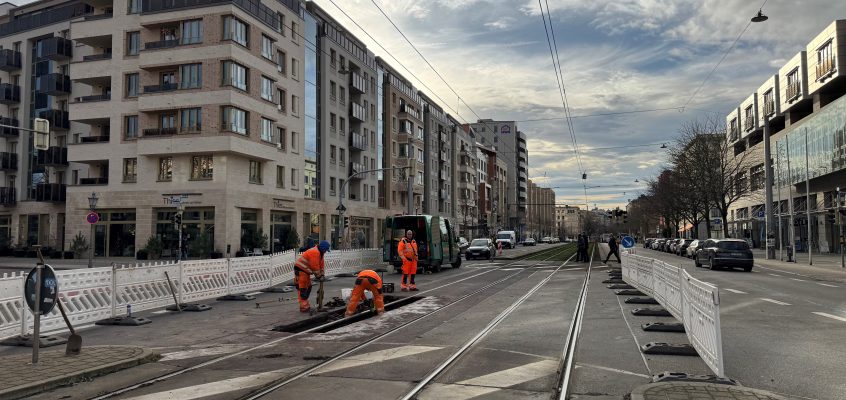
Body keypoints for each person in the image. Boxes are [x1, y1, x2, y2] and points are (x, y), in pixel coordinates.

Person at [293, 240, 330, 312]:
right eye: (325, 250)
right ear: (323, 249)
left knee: (308, 287)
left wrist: (322, 274)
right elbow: (315, 267)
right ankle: (304, 307)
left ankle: (306, 305)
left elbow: (321, 265)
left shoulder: (320, 253)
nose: (326, 252)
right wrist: (319, 276)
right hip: (300, 270)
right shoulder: (315, 252)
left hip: (305, 271)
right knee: (303, 288)